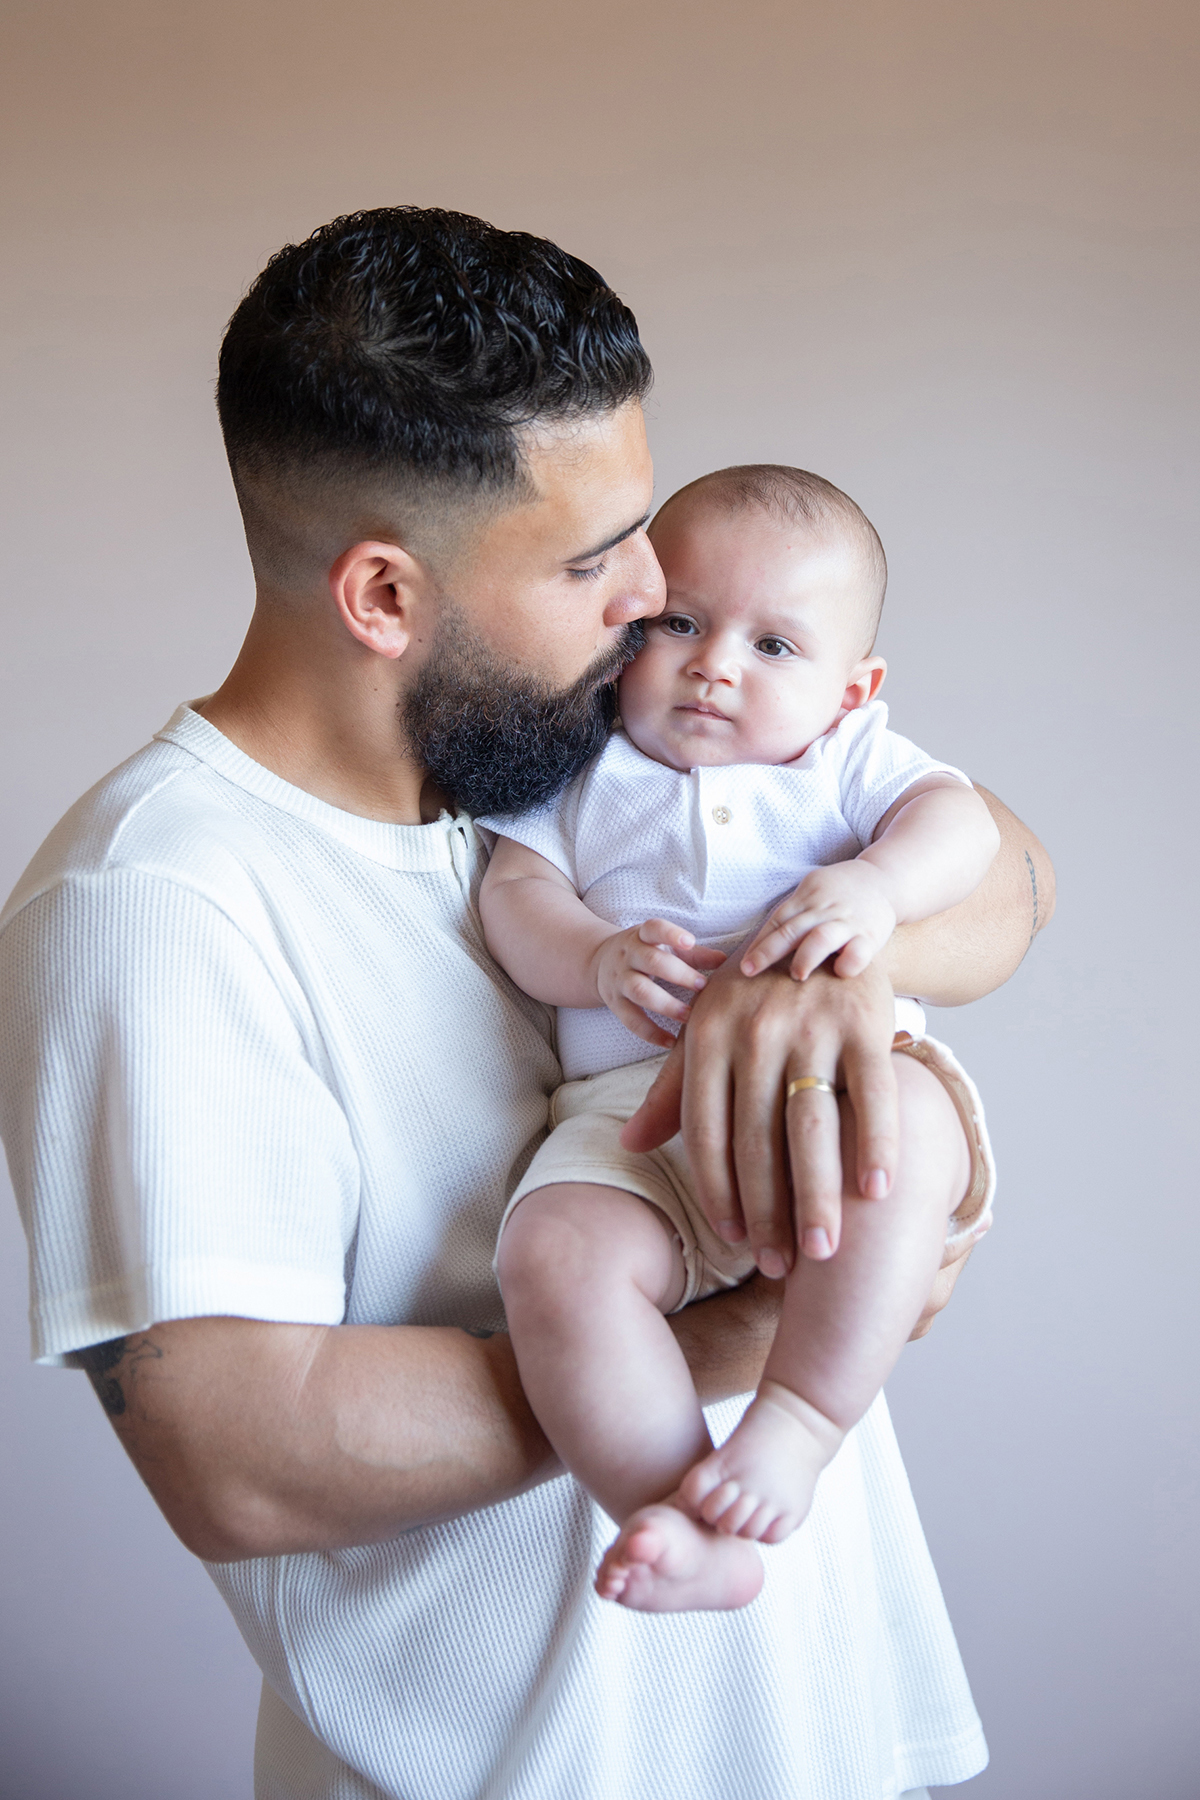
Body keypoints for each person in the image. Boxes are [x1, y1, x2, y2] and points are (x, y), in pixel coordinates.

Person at [0, 207, 1052, 1800]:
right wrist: (760, 1323)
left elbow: (1009, 873)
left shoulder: (567, 746)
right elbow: (243, 1464)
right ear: (381, 597)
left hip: (817, 1734)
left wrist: (851, 962)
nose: (655, 596)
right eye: (591, 561)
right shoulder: (157, 901)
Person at [479, 464, 1000, 1613]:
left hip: (837, 1090)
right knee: (553, 1253)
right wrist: (595, 958)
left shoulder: (847, 763)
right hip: (634, 1123)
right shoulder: (582, 769)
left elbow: (963, 829)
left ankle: (801, 1423)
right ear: (627, 636)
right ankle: (670, 1510)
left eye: (775, 647)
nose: (715, 662)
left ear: (853, 690)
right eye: (682, 623)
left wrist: (873, 888)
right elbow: (516, 902)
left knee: (912, 1129)